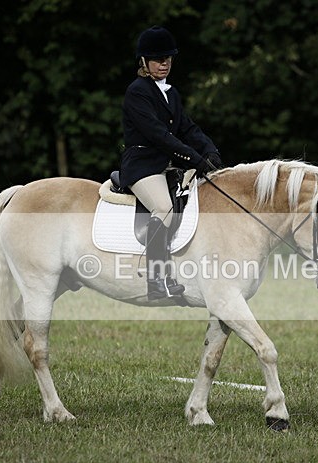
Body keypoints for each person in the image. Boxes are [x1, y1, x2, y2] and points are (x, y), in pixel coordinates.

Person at [119, 26, 222, 300]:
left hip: (166, 165)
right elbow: (158, 135)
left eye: (168, 58)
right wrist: (193, 158)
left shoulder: (170, 93)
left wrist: (210, 152)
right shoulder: (137, 92)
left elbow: (188, 128)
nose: (164, 63)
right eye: (157, 59)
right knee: (164, 208)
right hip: (142, 165)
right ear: (144, 62)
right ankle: (156, 280)